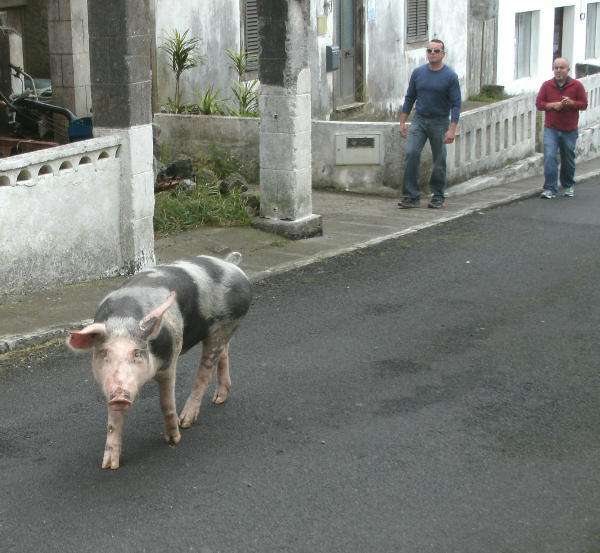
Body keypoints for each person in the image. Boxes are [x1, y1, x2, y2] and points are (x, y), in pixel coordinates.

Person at [398, 39, 461, 209]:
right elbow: (410, 97)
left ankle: (438, 195)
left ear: (443, 54)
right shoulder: (418, 73)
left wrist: (452, 129)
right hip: (419, 119)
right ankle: (411, 195)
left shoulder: (450, 76)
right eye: (429, 50)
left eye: (436, 51)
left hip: (440, 121)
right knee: (411, 153)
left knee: (439, 159)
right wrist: (403, 121)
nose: (432, 54)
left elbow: (456, 104)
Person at [536, 57, 587, 199]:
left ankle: (568, 185)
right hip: (551, 128)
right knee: (550, 156)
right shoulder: (547, 85)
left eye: (561, 68)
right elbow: (539, 104)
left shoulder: (577, 86)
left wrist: (571, 103)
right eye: (556, 68)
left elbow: (583, 104)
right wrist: (552, 105)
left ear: (568, 70)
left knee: (568, 157)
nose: (558, 71)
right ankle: (550, 188)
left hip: (569, 129)